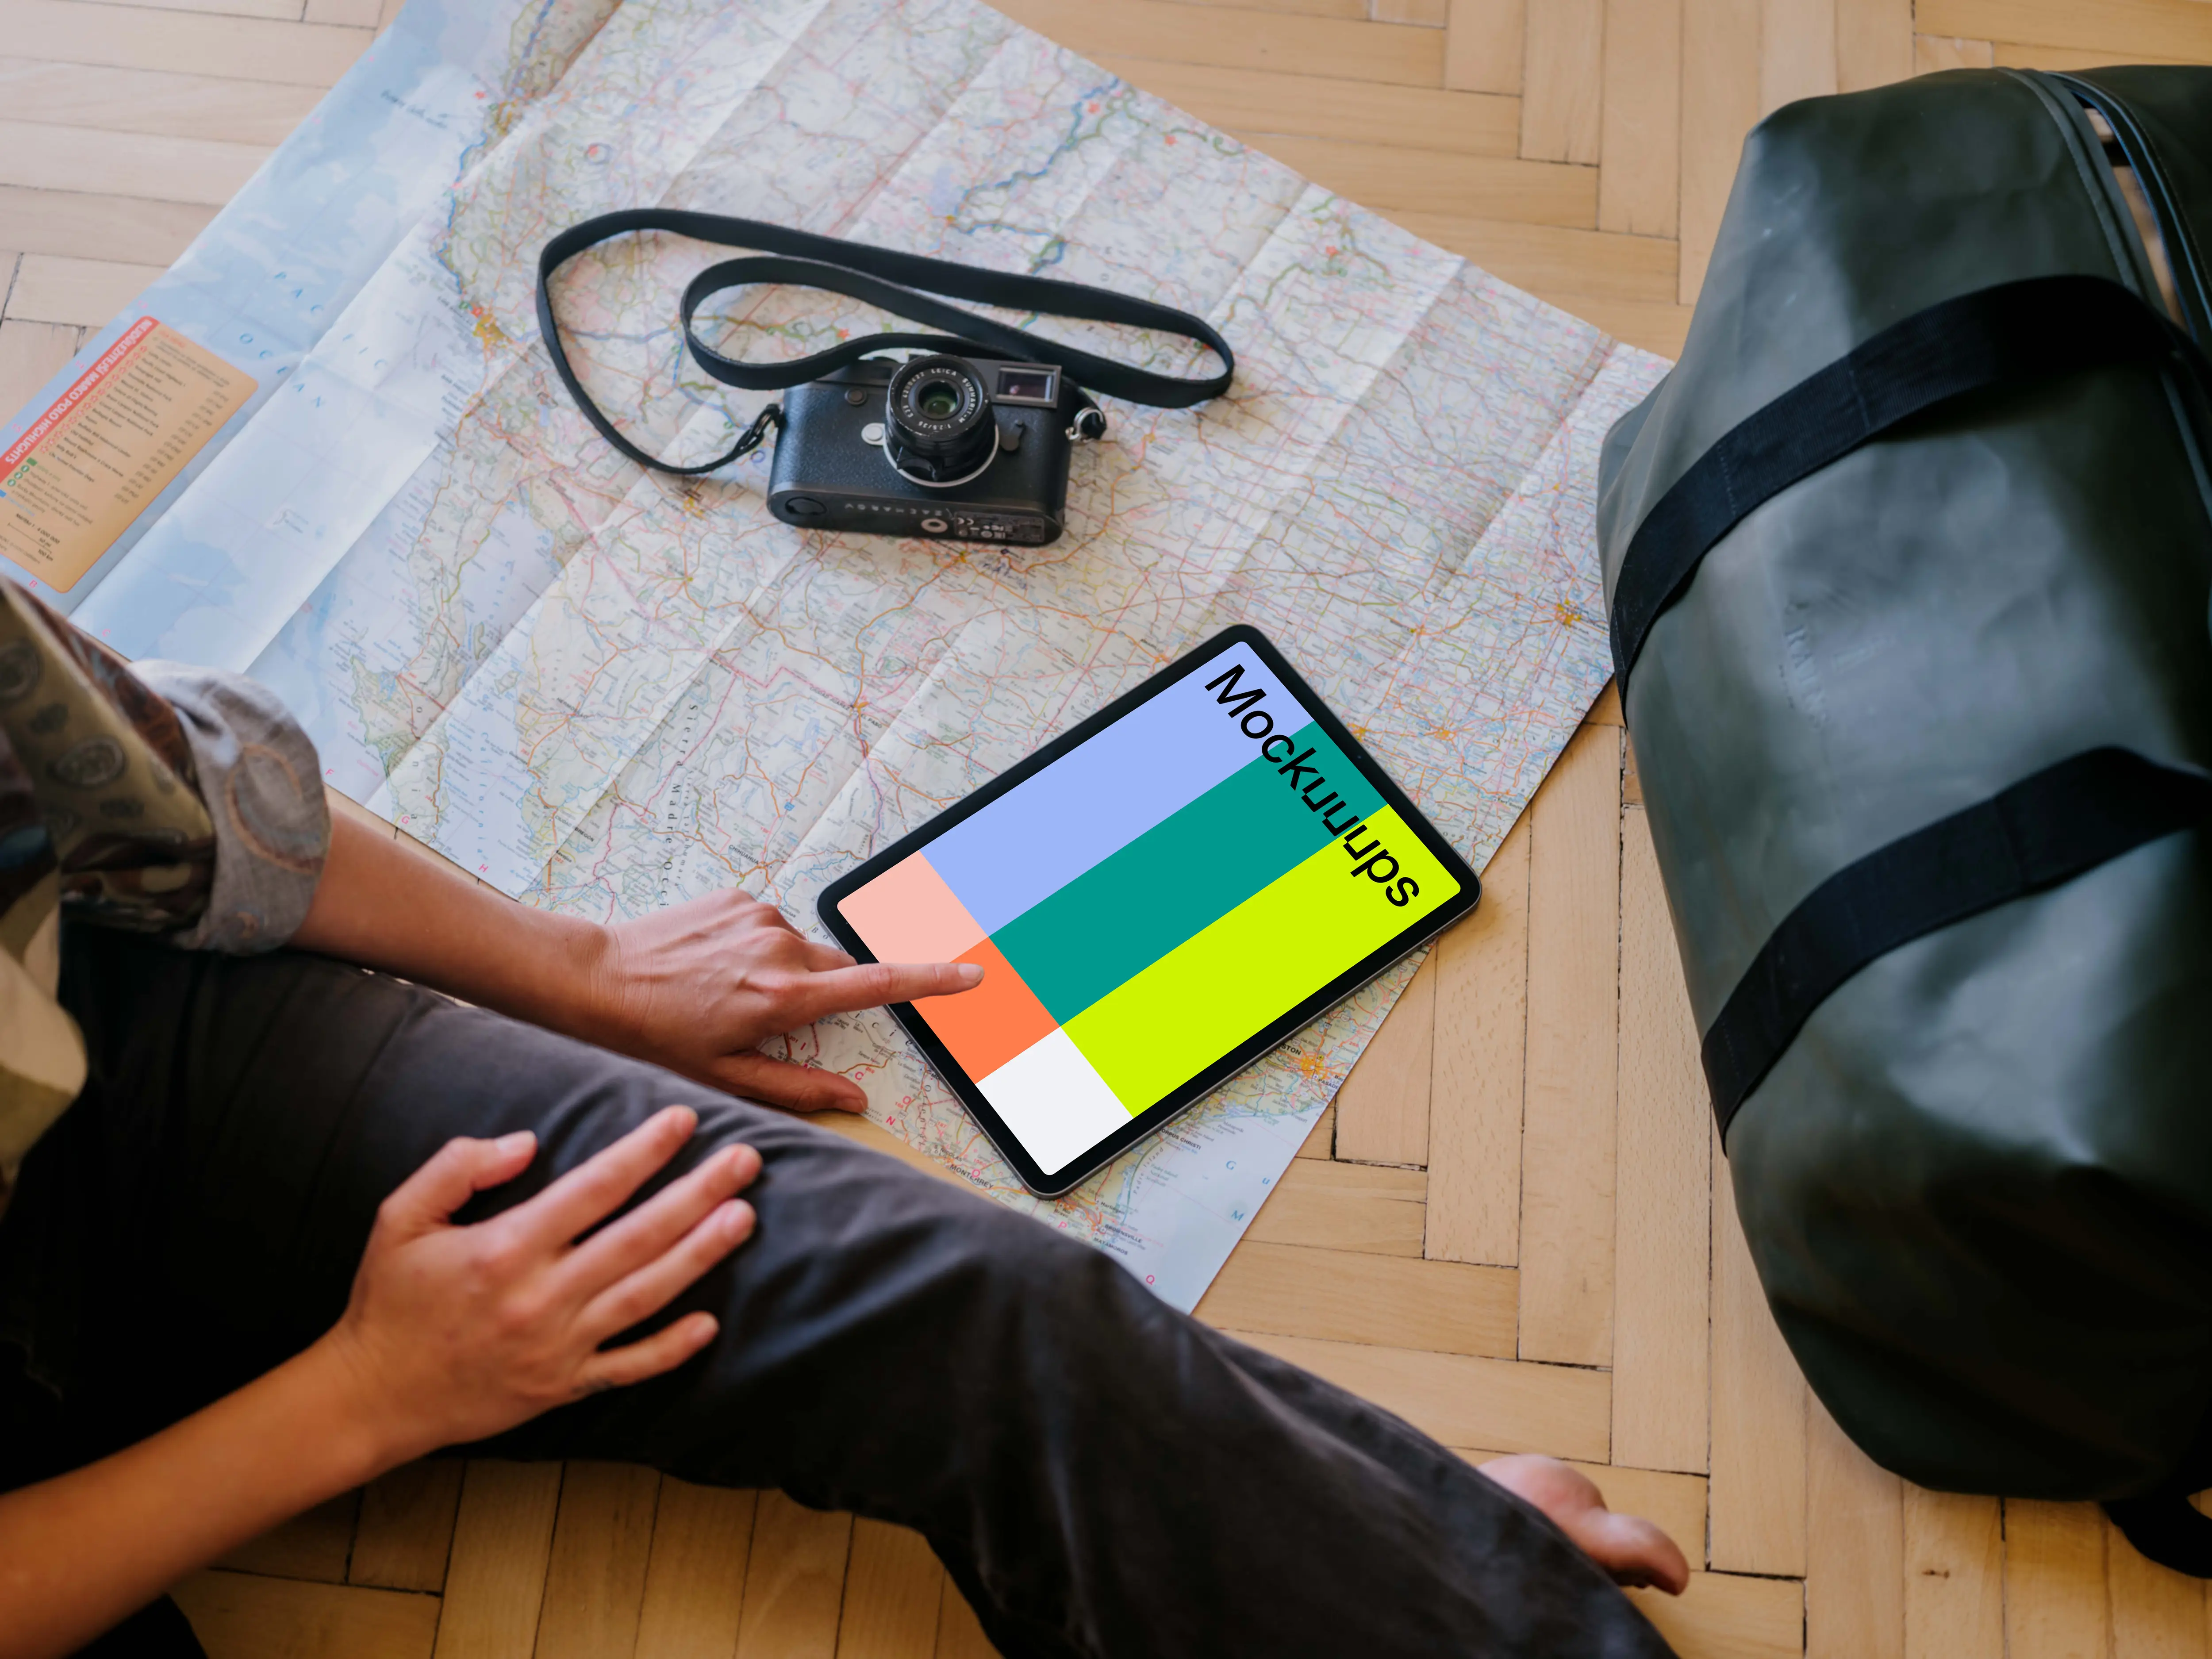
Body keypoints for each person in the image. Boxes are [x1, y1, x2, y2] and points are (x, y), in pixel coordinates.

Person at [0, 581, 1688, 1659]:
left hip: (119, 1064)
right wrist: (365, 1397)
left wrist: (573, 968)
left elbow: (177, 796)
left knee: (990, 1304)